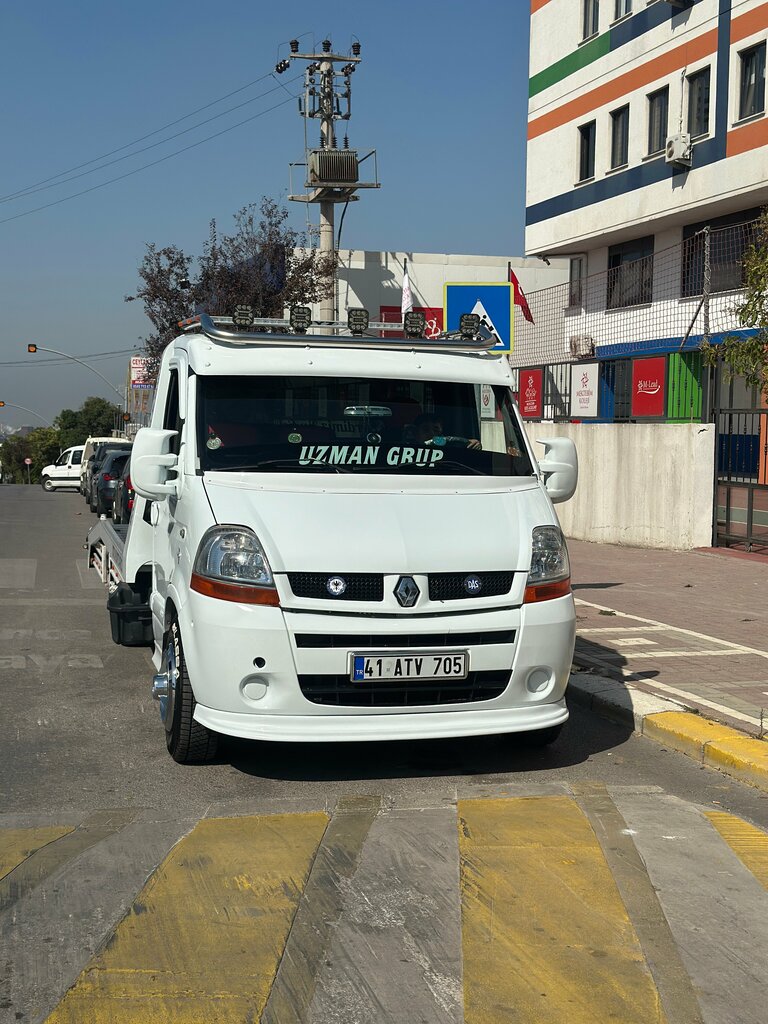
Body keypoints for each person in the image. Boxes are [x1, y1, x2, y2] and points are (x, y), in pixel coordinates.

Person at [410, 413, 481, 449]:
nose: (432, 434)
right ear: (416, 434)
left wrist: (472, 443)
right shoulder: (408, 450)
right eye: (426, 430)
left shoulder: (449, 449)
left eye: (436, 430)